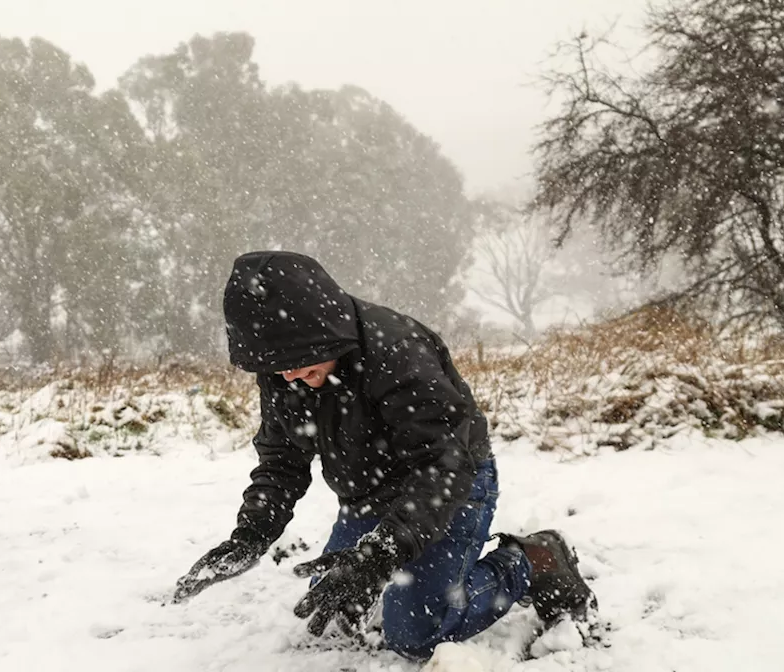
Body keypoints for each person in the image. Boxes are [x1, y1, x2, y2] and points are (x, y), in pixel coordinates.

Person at [172, 251, 596, 661]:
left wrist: (381, 553)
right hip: (369, 493)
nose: (288, 375)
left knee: (416, 634)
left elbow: (444, 464)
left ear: (322, 328)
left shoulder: (397, 351)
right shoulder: (285, 369)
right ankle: (398, 573)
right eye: (276, 365)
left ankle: (533, 560)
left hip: (450, 485)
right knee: (339, 602)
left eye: (296, 361)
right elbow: (282, 457)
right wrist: (251, 535)